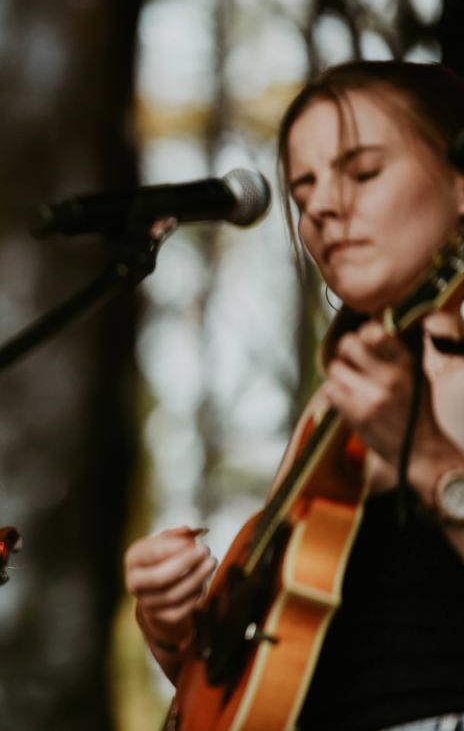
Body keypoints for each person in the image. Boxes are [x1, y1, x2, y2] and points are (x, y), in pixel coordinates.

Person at [124, 60, 464, 730]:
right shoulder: (332, 410)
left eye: (362, 172)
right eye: (304, 192)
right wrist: (177, 630)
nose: (324, 208)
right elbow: (272, 683)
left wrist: (426, 460)